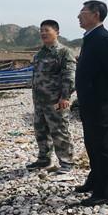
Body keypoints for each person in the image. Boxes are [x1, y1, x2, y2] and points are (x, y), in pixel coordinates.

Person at [74, 0, 108, 206]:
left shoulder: (103, 39)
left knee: (102, 146)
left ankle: (105, 191)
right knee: (91, 143)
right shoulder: (90, 38)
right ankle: (95, 180)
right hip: (89, 101)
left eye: (82, 12)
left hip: (100, 102)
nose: (78, 16)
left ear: (95, 14)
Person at [26, 19, 77, 175]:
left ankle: (66, 162)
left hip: (56, 100)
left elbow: (69, 76)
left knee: (59, 130)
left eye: (47, 30)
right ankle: (44, 158)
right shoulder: (39, 54)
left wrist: (65, 97)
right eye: (41, 30)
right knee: (40, 130)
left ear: (57, 32)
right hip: (39, 101)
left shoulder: (64, 52)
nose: (43, 33)